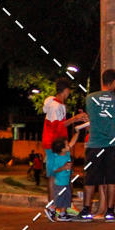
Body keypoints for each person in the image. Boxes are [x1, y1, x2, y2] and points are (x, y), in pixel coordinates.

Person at [79, 68, 115, 221]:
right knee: (112, 179)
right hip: (113, 144)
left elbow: (90, 118)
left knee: (90, 178)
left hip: (94, 144)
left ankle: (86, 209)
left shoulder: (90, 98)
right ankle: (110, 211)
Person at [42, 78, 87, 220]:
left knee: (61, 174)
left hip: (58, 144)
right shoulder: (56, 106)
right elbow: (57, 126)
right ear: (66, 90)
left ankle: (62, 207)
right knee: (53, 175)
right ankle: (52, 208)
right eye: (69, 91)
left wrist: (76, 119)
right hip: (53, 144)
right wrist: (75, 119)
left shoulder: (58, 105)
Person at [44, 128, 80, 222]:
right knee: (59, 198)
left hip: (66, 182)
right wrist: (64, 167)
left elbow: (72, 142)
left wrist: (77, 133)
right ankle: (51, 209)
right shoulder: (58, 158)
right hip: (60, 183)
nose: (69, 145)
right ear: (62, 149)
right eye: (67, 145)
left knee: (67, 198)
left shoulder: (66, 152)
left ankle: (62, 214)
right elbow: (55, 170)